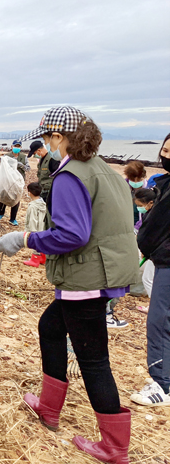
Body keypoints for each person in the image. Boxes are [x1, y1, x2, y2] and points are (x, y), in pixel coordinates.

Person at [0, 107, 138, 463]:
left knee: (93, 359)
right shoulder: (106, 170)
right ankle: (49, 407)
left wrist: (26, 238)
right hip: (105, 273)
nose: (46, 145)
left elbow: (72, 235)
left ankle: (115, 447)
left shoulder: (71, 175)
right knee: (50, 327)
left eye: (47, 139)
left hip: (87, 278)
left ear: (59, 138)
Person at [132, 133, 170, 407]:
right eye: (165, 150)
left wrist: (147, 245)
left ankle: (163, 384)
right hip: (161, 258)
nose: (166, 155)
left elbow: (157, 225)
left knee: (159, 320)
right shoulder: (164, 184)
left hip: (167, 260)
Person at [0, 140, 28, 226]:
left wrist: (21, 165)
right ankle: (0, 213)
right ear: (11, 147)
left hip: (18, 182)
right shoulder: (7, 156)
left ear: (20, 147)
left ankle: (13, 218)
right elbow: (1, 162)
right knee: (4, 196)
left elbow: (28, 168)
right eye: (15, 146)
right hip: (7, 180)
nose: (16, 148)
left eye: (18, 146)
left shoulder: (24, 157)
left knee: (16, 199)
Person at [133, 189, 156, 305]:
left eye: (140, 205)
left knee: (147, 279)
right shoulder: (149, 213)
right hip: (152, 252)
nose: (139, 208)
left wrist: (146, 250)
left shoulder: (156, 216)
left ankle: (155, 306)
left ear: (150, 203)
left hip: (156, 252)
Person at [22, 182, 47, 267]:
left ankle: (35, 259)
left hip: (35, 229)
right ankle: (43, 258)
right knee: (42, 242)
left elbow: (32, 219)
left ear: (30, 193)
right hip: (43, 227)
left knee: (36, 243)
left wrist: (31, 232)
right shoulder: (43, 204)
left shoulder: (32, 206)